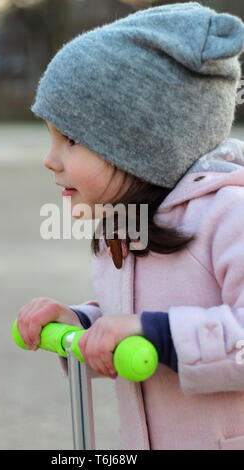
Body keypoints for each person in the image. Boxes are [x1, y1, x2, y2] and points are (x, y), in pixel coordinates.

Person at [17, 2, 244, 450]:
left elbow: (160, 328)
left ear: (141, 146)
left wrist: (155, 333)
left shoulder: (229, 217)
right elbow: (138, 321)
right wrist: (82, 324)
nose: (49, 158)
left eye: (72, 140)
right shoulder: (126, 225)